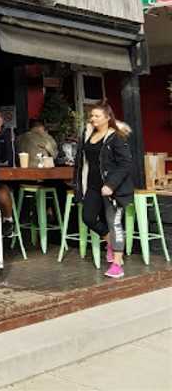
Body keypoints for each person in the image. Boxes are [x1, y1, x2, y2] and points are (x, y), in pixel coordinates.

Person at [73, 102, 134, 279]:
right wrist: (78, 184)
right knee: (88, 218)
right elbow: (81, 162)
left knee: (114, 223)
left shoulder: (116, 137)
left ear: (108, 118)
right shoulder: (87, 135)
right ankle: (110, 242)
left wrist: (111, 185)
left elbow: (125, 164)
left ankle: (117, 264)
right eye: (91, 116)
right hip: (92, 186)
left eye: (97, 116)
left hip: (112, 189)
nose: (93, 119)